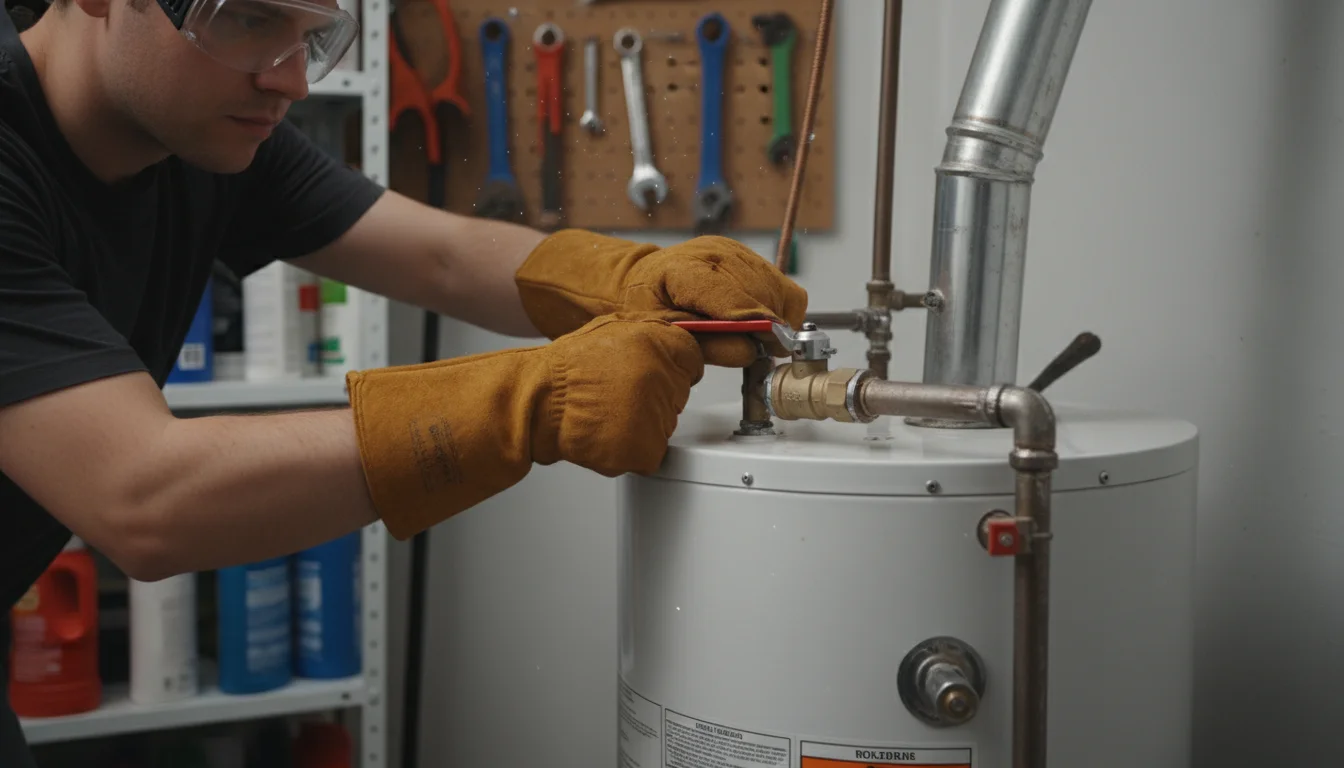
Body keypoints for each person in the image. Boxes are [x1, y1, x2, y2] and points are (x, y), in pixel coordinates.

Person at [0, 0, 807, 762]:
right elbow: (146, 499)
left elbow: (441, 256)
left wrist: (630, 277)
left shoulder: (202, 134)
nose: (291, 79)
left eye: (311, 35)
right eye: (246, 18)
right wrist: (528, 401)